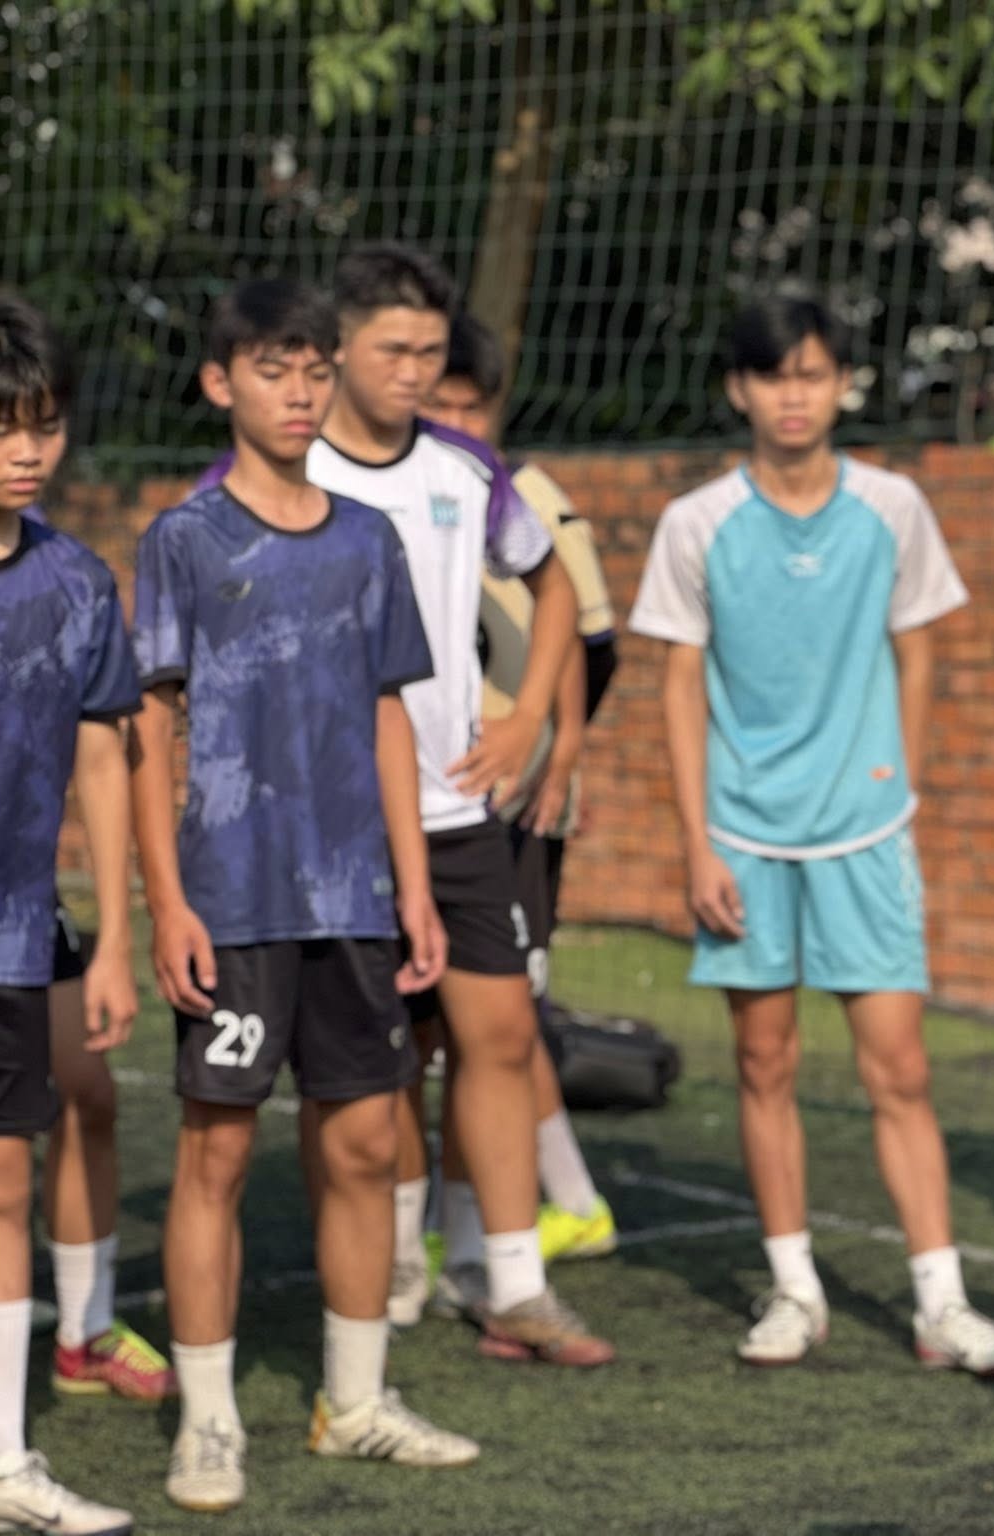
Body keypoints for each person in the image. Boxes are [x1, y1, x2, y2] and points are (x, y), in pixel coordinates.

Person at [631, 295, 994, 1377]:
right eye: (773, 377)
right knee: (761, 1061)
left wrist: (891, 782)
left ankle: (939, 1305)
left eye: (811, 374)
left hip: (864, 835)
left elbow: (917, 650)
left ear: (838, 384)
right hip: (742, 839)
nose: (793, 395)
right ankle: (794, 1289)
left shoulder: (892, 506)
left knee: (897, 1067)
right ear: (739, 390)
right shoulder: (696, 524)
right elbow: (675, 687)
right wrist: (694, 844)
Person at [131, 278, 483, 1514]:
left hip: (355, 900)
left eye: (314, 369)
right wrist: (165, 901)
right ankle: (212, 1418)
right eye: (273, 369)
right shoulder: (183, 537)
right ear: (220, 382)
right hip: (229, 900)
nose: (300, 391)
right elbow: (149, 732)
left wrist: (412, 888)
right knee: (215, 1154)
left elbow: (390, 717)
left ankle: (357, 1400)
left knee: (367, 1142)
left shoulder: (364, 540)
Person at [259, 244, 609, 1367]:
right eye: (392, 350)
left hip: (459, 813)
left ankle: (513, 1282)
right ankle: (380, 1266)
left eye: (431, 351)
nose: (415, 370)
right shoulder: (293, 470)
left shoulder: (467, 471)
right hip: (333, 824)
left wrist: (527, 724)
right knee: (361, 1065)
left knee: (498, 1034)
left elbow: (551, 583)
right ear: (340, 350)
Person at [419, 310, 618, 1265]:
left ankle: (544, 1208)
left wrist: (557, 747)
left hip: (517, 794)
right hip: (430, 789)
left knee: (502, 1010)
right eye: (438, 401)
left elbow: (585, 635)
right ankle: (459, 1221)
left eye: (471, 404)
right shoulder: (408, 489)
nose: (455, 419)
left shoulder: (526, 496)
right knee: (436, 1022)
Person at [0, 294, 140, 1535]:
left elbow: (104, 763)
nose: (25, 447)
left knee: (1, 1188)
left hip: (17, 934)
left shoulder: (77, 583)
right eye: (3, 423)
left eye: (42, 423)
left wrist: (115, 940)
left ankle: (4, 1466)